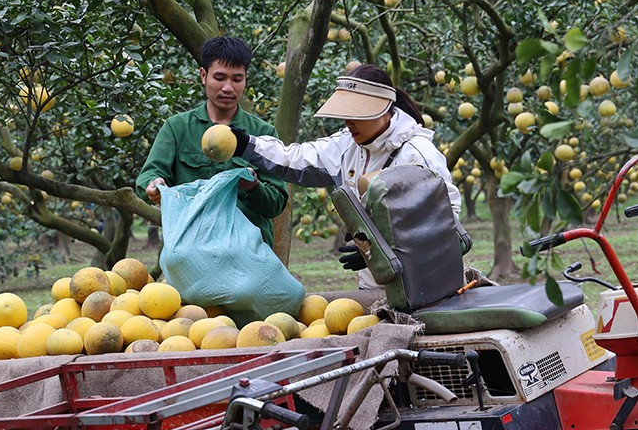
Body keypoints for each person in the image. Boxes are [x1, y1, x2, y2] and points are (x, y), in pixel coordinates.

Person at [229, 63, 460, 288]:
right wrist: (247, 145)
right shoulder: (347, 146)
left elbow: (448, 228)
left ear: (384, 110)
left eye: (358, 114)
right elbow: (297, 158)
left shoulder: (417, 155)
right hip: (373, 286)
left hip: (424, 286)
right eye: (345, 113)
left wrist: (390, 251)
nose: (349, 122)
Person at [135, 37, 287, 248]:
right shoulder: (177, 128)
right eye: (220, 77)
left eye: (236, 79)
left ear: (245, 79)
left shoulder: (263, 134)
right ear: (203, 75)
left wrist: (254, 187)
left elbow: (277, 203)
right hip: (191, 247)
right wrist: (154, 186)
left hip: (247, 252)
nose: (228, 87)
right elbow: (148, 177)